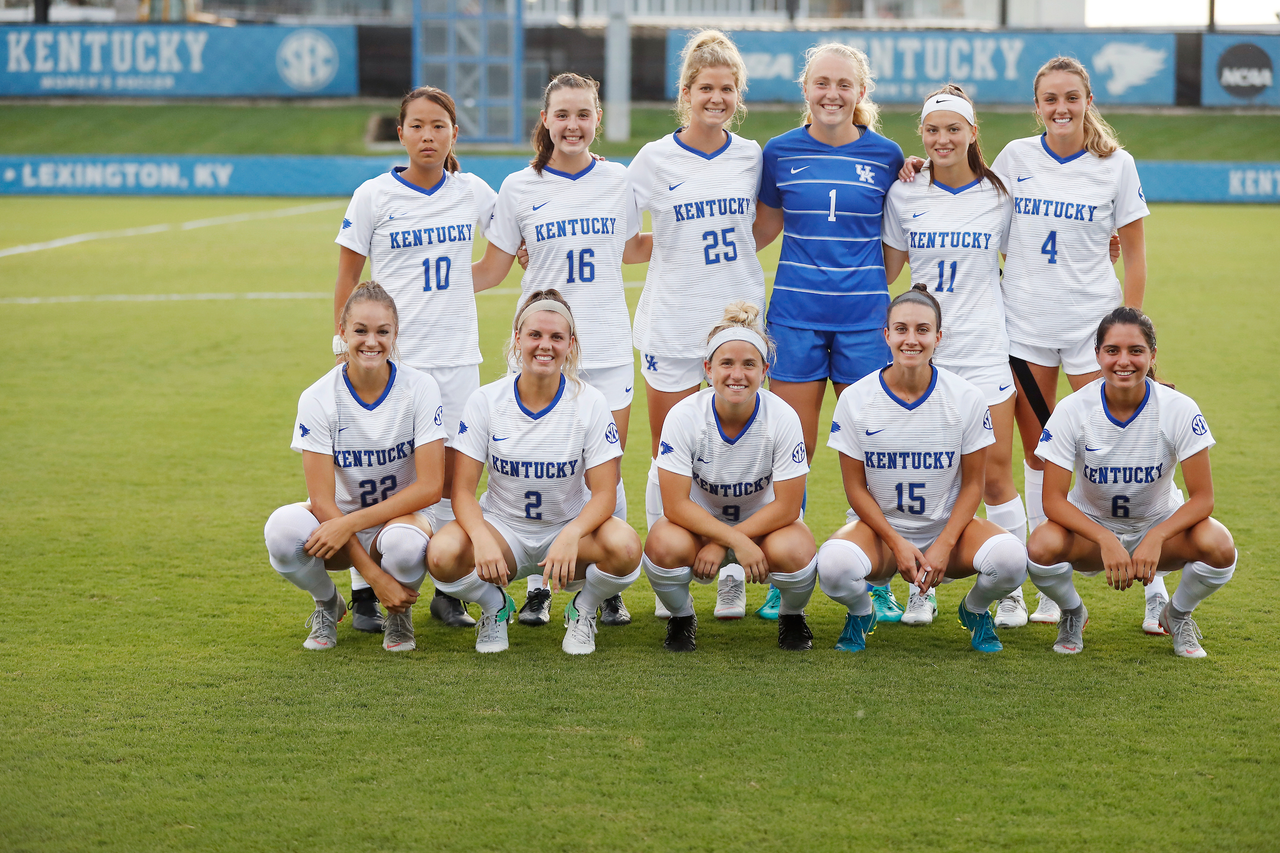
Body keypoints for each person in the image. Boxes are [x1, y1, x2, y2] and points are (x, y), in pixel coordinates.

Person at [473, 72, 644, 629]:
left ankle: (601, 591)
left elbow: (632, 248)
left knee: (605, 473)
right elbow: (494, 269)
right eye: (563, 115)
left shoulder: (618, 181)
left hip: (608, 346)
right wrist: (417, 276)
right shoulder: (519, 188)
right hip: (541, 348)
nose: (574, 125)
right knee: (533, 465)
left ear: (597, 119)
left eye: (584, 115)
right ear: (545, 121)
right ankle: (537, 587)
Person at [995, 56, 1157, 628]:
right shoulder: (1015, 158)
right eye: (1049, 100)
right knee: (1041, 452)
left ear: (1088, 99)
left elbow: (1134, 252)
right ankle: (1050, 585)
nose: (1060, 109)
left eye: (1071, 97)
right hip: (1026, 326)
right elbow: (976, 210)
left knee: (1122, 450)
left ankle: (1156, 589)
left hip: (1095, 331)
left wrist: (1128, 327)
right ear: (1036, 106)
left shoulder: (1116, 165)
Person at [753, 43, 905, 623]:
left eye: (844, 84)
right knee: (793, 448)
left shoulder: (889, 156)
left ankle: (881, 568)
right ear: (806, 89)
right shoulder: (780, 152)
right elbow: (759, 233)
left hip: (866, 322)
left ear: (861, 93)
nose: (832, 94)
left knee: (874, 450)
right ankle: (783, 571)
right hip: (793, 318)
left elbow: (901, 236)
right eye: (821, 83)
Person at [334, 85, 494, 630]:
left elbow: (508, 250)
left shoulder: (473, 192)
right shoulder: (373, 196)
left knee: (455, 481)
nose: (428, 136)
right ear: (400, 133)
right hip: (391, 362)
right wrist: (344, 347)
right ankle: (362, 592)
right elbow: (347, 279)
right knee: (378, 475)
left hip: (456, 360)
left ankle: (447, 590)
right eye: (417, 126)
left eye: (439, 126)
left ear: (454, 134)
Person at [627, 29, 766, 621]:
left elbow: (760, 228)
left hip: (737, 322)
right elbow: (624, 238)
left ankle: (732, 570)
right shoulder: (654, 158)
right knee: (672, 455)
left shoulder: (751, 155)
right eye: (706, 87)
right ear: (686, 93)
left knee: (739, 458)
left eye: (727, 88)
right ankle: (671, 574)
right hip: (672, 323)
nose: (717, 97)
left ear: (738, 95)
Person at [426, 290, 643, 655]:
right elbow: (462, 491)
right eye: (535, 336)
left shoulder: (590, 402)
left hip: (566, 527)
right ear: (517, 339)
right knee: (442, 554)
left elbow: (606, 493)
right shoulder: (486, 400)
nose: (545, 346)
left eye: (557, 337)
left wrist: (572, 533)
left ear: (570, 344)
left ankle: (583, 609)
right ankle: (494, 607)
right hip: (504, 530)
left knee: (626, 546)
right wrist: (479, 536)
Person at [881, 84, 1026, 628]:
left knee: (994, 478)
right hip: (922, 356)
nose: (943, 139)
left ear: (971, 133)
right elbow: (888, 273)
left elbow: (1030, 257)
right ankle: (922, 585)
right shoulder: (906, 193)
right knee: (924, 474)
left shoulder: (999, 195)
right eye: (933, 130)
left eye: (953, 129)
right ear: (921, 134)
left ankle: (1010, 588)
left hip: (986, 349)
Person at [816, 287, 1027, 654]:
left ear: (938, 337)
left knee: (1011, 560)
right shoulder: (856, 398)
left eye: (922, 330)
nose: (911, 339)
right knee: (833, 566)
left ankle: (974, 610)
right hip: (880, 536)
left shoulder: (966, 397)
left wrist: (944, 544)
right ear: (886, 335)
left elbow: (974, 484)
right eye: (901, 329)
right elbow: (855, 489)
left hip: (948, 532)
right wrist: (897, 543)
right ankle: (862, 612)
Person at [1026, 308, 1236, 658]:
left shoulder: (1178, 409)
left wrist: (1157, 535)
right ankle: (1073, 612)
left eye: (1135, 351)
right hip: (1092, 534)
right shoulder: (1072, 409)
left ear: (1152, 355)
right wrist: (1104, 538)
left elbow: (1203, 499)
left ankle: (1178, 614)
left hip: (1159, 529)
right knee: (1041, 547)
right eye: (1112, 351)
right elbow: (1053, 502)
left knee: (1219, 546)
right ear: (1097, 355)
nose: (1124, 361)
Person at [264, 282, 447, 652]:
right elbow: (320, 498)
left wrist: (349, 524)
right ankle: (327, 602)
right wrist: (373, 577)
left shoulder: (421, 387)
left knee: (403, 545)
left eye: (383, 331)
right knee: (281, 532)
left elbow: (430, 487)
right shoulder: (317, 397)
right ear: (342, 332)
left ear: (396, 334)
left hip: (402, 521)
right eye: (360, 330)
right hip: (340, 517)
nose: (371, 342)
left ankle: (399, 614)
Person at [641, 302, 816, 652]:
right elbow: (674, 505)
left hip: (764, 527)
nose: (737, 374)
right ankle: (681, 616)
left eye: (749, 364)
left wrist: (727, 541)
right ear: (708, 369)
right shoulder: (684, 415)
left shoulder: (781, 417)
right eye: (726, 363)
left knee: (797, 549)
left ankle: (792, 615)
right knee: (662, 544)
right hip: (698, 527)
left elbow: (788, 506)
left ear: (765, 370)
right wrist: (729, 540)